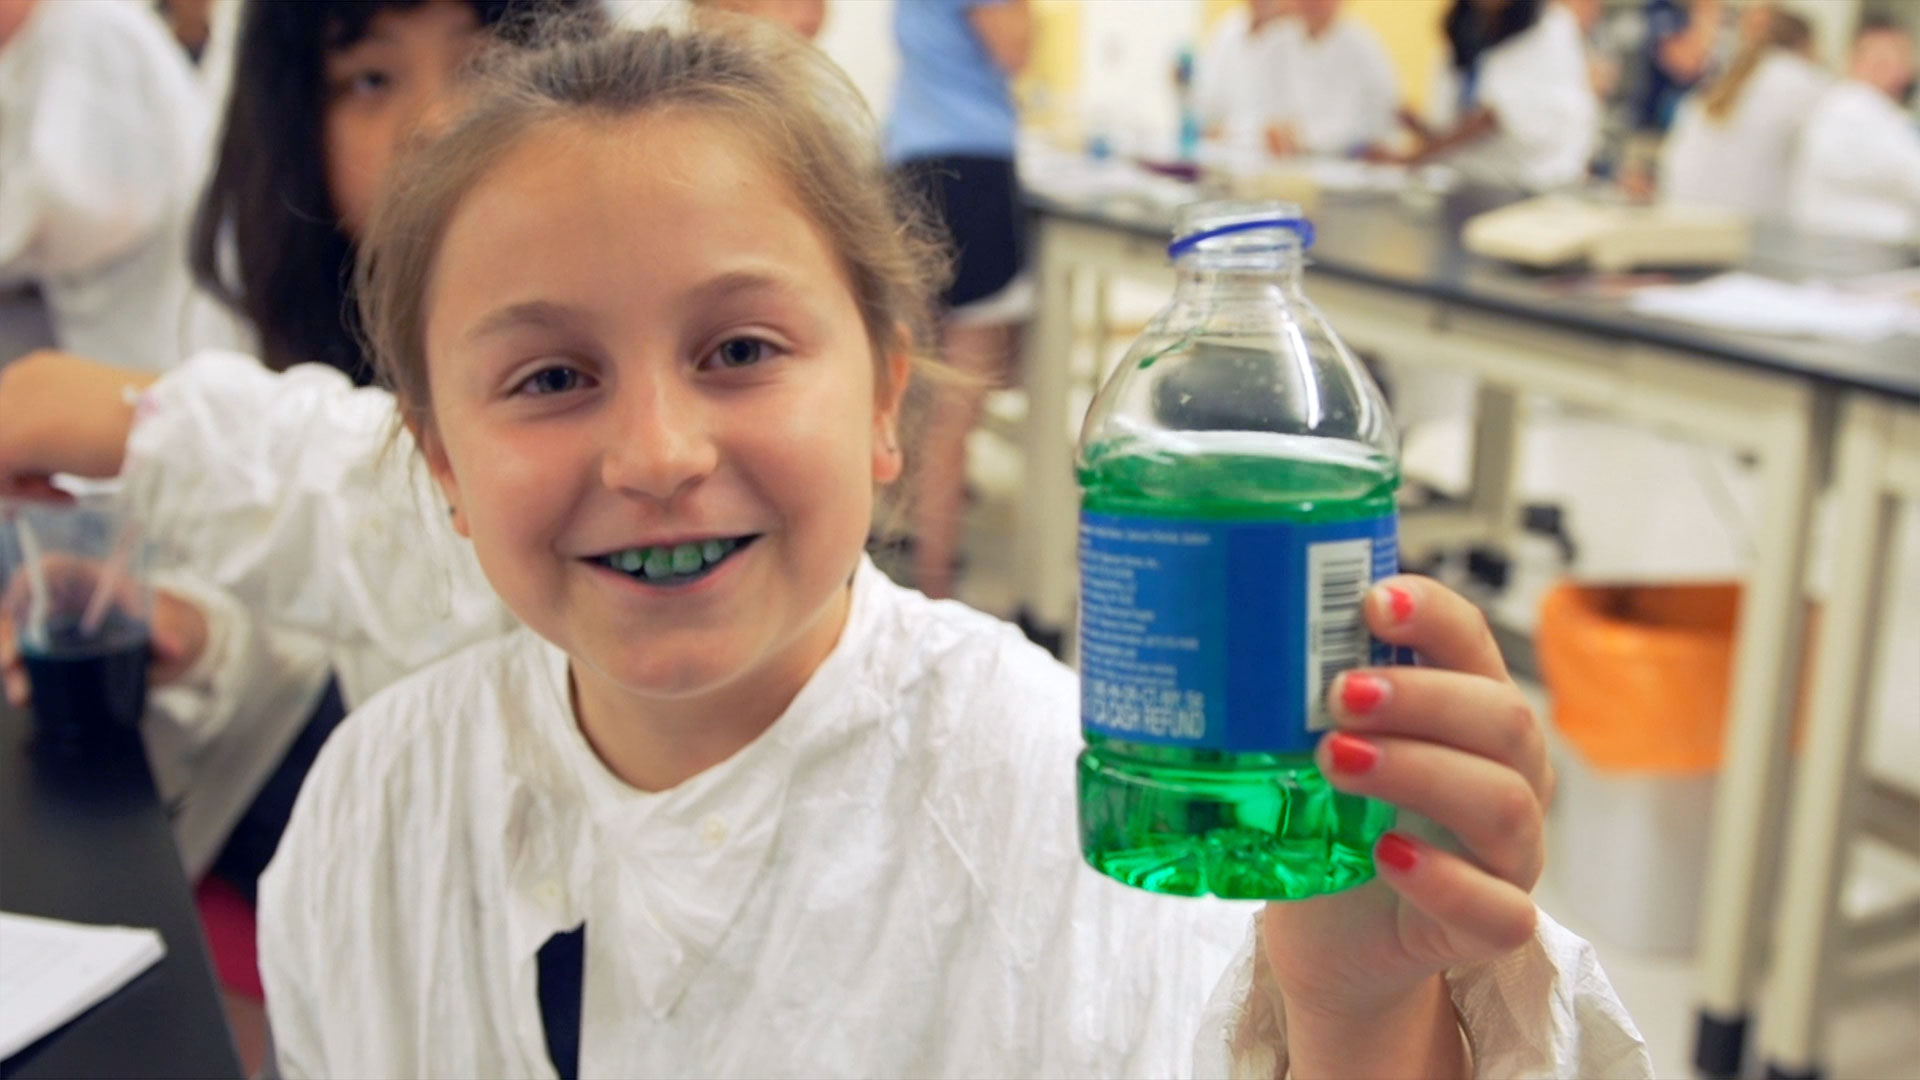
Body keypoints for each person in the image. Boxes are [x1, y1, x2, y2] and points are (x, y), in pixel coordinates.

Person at [242, 20, 1648, 1077]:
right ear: (442, 464)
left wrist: (1361, 1008)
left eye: (738, 349)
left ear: (883, 403)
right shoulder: (379, 813)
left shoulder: (1064, 819)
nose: (659, 454)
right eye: (551, 379)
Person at [886, 0, 1031, 601]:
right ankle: (936, 595)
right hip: (971, 173)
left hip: (910, 166)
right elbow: (1014, 49)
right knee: (954, 410)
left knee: (908, 391)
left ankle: (897, 581)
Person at [0, 0, 226, 371]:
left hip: (156, 328)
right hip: (113, 322)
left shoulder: (85, 26)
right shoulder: (45, 37)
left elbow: (81, 205)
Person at [1384, 0, 1600, 190]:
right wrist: (1420, 127)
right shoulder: (1464, 30)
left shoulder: (1550, 27)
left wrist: (1411, 159)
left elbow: (1495, 118)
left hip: (1537, 185)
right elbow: (1457, 125)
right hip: (1471, 184)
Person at [1660, 7, 1824, 218]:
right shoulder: (1799, 80)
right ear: (1806, 44)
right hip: (1738, 230)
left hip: (1682, 215)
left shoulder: (1723, 78)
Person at [1788, 16, 1920, 245]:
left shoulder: (1868, 109)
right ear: (1855, 60)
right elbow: (1912, 176)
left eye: (1901, 58)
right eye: (1882, 60)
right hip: (1858, 251)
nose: (1898, 69)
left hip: (1855, 247)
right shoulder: (1855, 108)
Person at [1262, 0, 1399, 159]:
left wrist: (1303, 139)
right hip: (1289, 163)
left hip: (1350, 166)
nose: (1311, 3)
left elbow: (1365, 127)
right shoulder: (1278, 42)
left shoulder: (1362, 48)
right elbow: (1269, 110)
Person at [1193, 0, 1294, 151]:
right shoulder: (1228, 30)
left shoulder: (1296, 35)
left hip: (1282, 161)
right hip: (1224, 154)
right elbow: (1205, 105)